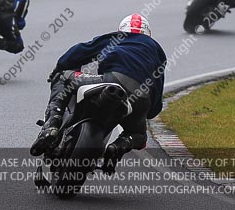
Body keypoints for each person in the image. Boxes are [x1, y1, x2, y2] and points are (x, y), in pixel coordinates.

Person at [30, 14, 167, 173]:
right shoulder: (157, 51)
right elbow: (157, 89)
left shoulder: (118, 37)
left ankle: (52, 124)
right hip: (142, 97)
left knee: (62, 77)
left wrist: (60, 67)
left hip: (111, 80)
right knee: (139, 135)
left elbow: (82, 50)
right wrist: (147, 112)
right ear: (148, 34)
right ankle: (118, 147)